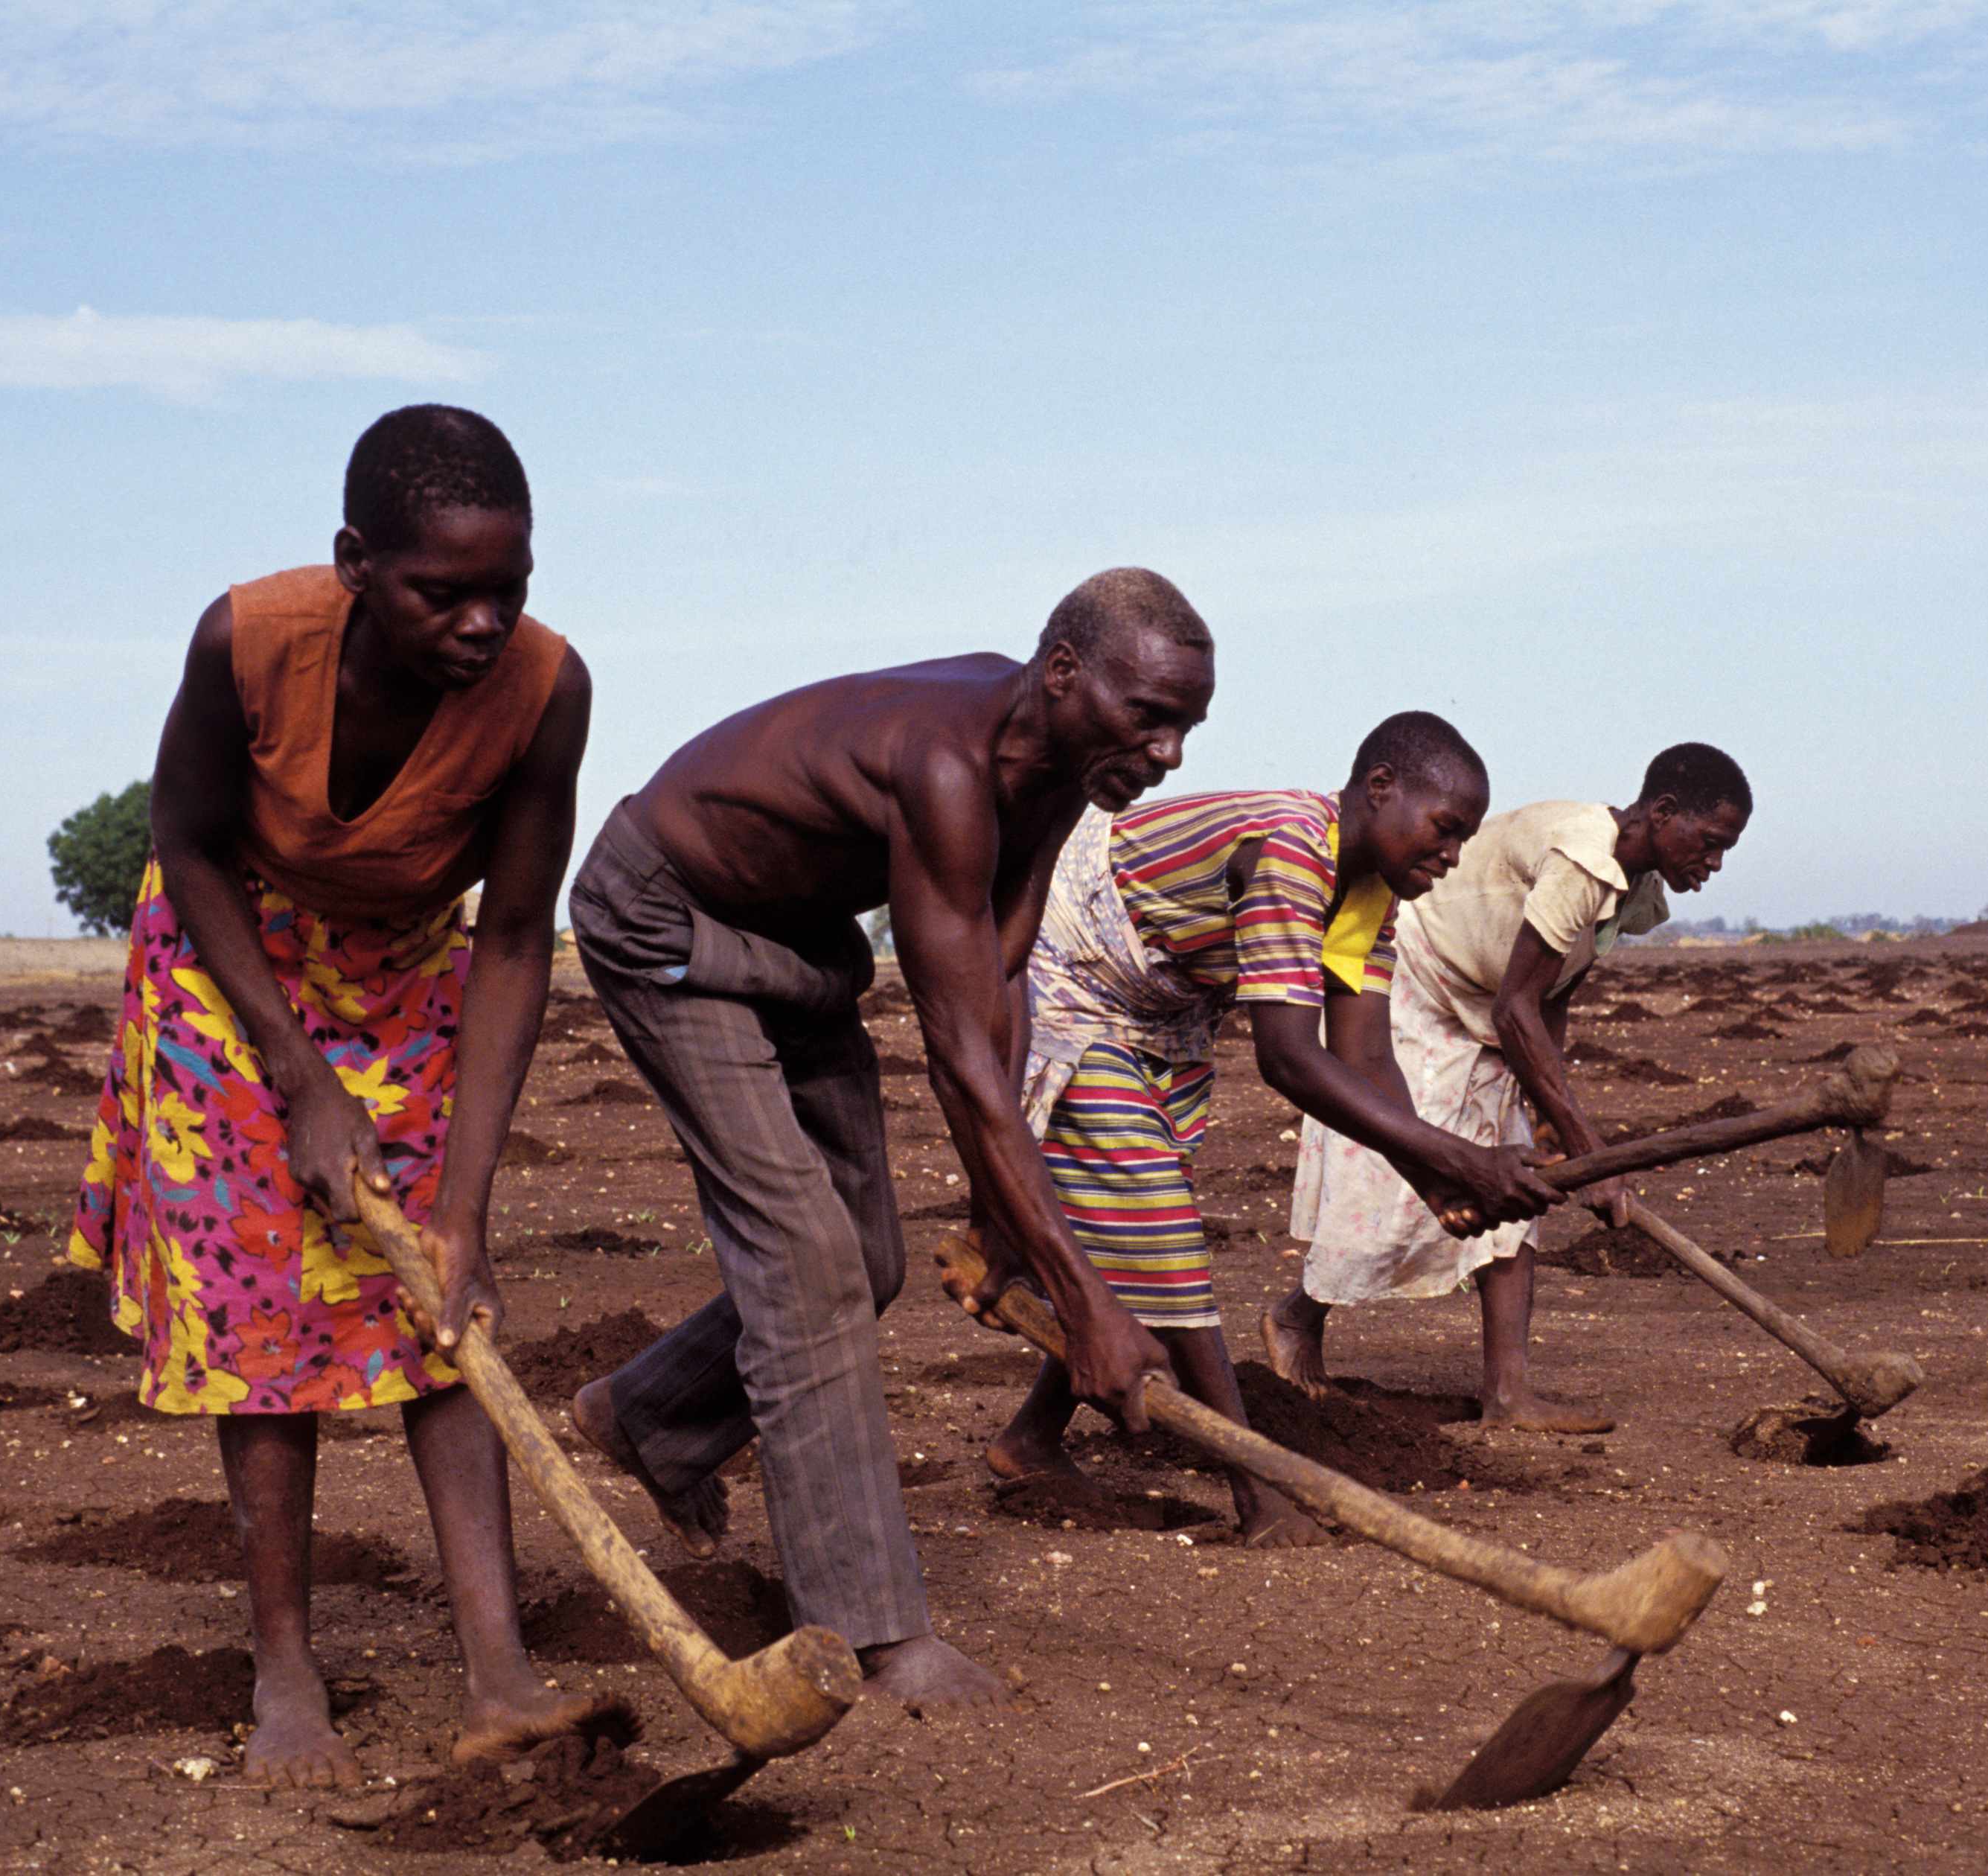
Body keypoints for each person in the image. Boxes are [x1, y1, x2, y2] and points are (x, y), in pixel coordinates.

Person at [565, 569, 1214, 1709]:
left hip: (798, 943)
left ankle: (650, 1415)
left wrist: (996, 1218)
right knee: (807, 1268)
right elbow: (959, 1060)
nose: (1167, 754)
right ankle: (870, 1633)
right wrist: (1087, 1310)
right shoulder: (949, 767)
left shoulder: (1057, 769)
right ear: (1063, 675)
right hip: (667, 919)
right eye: (1148, 717)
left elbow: (1001, 982)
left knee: (868, 1257)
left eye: (1185, 728)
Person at [67, 406, 600, 1788]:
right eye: (446, 592)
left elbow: (518, 938)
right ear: (357, 560)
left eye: (511, 588)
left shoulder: (547, 691)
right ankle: (286, 1665)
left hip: (410, 969)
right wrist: (298, 1082)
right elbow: (182, 842)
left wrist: (465, 1209)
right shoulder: (246, 640)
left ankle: (499, 1671)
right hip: (226, 957)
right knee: (260, 1305)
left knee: (442, 1296)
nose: (485, 623)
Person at [983, 712, 1564, 1542]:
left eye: (1464, 839)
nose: (1452, 856)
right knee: (1158, 1220)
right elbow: (1287, 1059)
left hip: (1157, 1007)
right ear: (1379, 789)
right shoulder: (1293, 847)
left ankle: (1031, 1439)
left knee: (1139, 1237)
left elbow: (1364, 1056)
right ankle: (1257, 1488)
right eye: (1444, 829)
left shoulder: (1367, 895)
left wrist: (1436, 1176)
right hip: (1065, 972)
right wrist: (1456, 1158)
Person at [1262, 744, 1754, 1430]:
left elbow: (1551, 995)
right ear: (1664, 813)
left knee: (1516, 1186)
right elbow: (1517, 1010)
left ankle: (1507, 1394)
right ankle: (1296, 1316)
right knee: (1399, 1174)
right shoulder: (1586, 857)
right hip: (1416, 982)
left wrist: (1554, 1122)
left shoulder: (1633, 888)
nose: (1714, 863)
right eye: (1709, 843)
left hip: (1489, 1005)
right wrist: (1591, 1146)